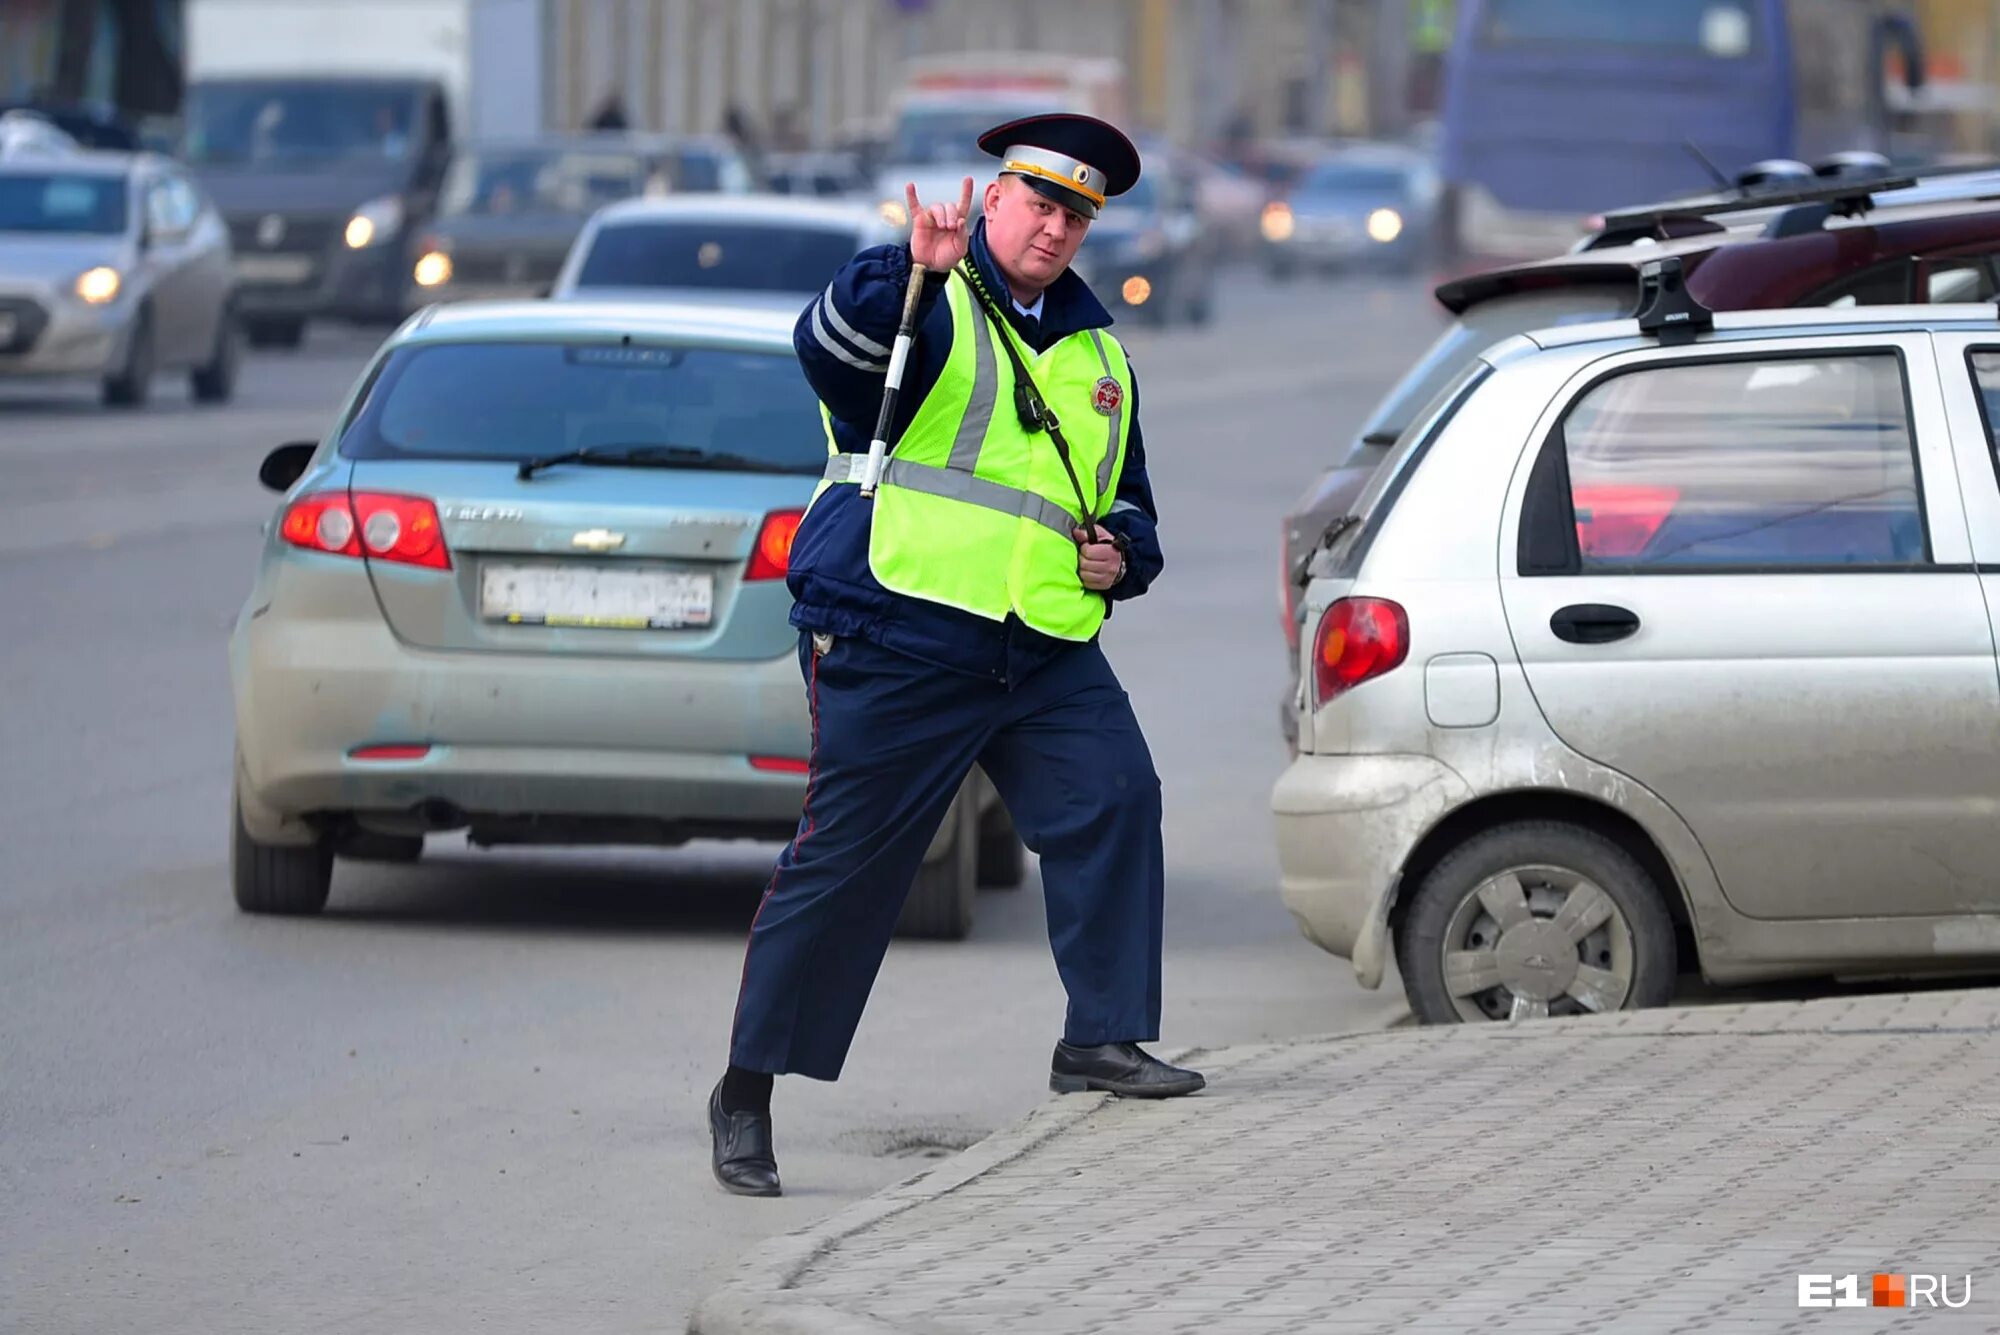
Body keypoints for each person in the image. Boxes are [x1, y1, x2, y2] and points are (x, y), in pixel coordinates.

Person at [708, 113, 1204, 1199]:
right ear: (993, 201)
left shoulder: (1098, 354)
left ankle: (1101, 1041)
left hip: (1037, 651)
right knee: (845, 870)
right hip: (899, 632)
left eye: (1076, 214)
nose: (1055, 227)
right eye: (1038, 203)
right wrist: (907, 275)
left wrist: (1124, 556)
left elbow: (1129, 504)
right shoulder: (923, 306)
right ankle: (746, 1093)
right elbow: (828, 353)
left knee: (1117, 798)